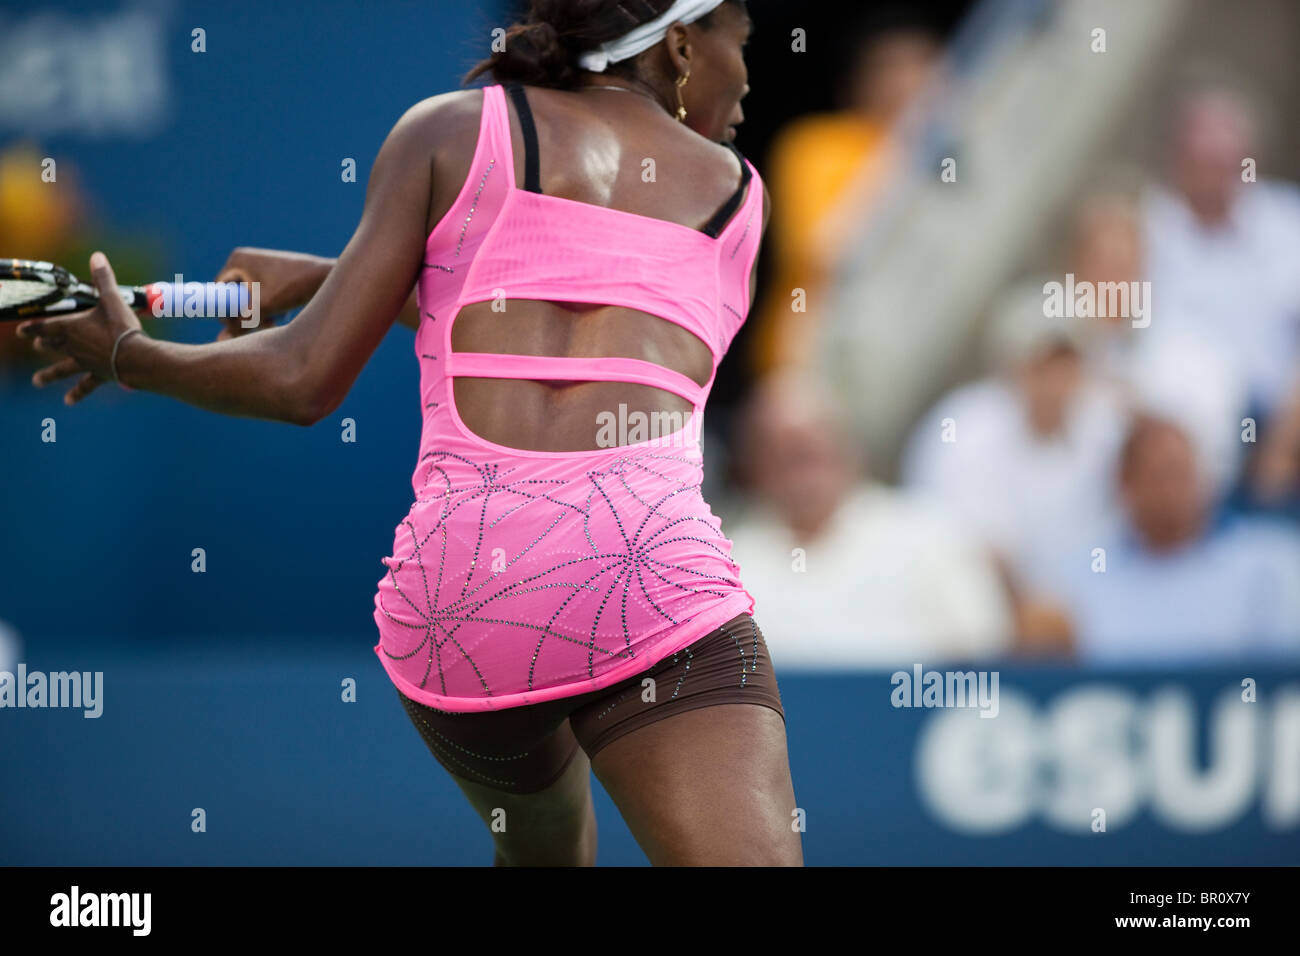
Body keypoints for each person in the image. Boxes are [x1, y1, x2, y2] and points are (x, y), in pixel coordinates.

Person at [17, 0, 802, 867]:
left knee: (546, 859)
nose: (750, 76)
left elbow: (310, 376)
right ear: (683, 42)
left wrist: (135, 353)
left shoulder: (442, 130)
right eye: (743, 40)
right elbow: (599, 339)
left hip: (455, 609)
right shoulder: (738, 197)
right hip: (641, 580)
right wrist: (344, 285)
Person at [725, 372, 1012, 668]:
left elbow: (983, 649)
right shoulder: (730, 565)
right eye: (784, 456)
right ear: (755, 466)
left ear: (847, 449)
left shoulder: (928, 533)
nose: (801, 474)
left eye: (810, 452)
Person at [1051, 414, 1300, 664]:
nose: (1170, 491)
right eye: (1156, 476)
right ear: (1124, 485)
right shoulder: (1081, 578)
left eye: (1180, 473)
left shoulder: (1268, 565)